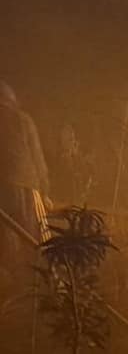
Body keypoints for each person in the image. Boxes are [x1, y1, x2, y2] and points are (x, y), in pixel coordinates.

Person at [0, 80, 50, 276]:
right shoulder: (24, 120)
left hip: (4, 187)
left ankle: (12, 279)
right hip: (27, 186)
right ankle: (38, 279)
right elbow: (38, 158)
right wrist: (45, 191)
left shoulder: (22, 121)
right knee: (34, 238)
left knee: (7, 239)